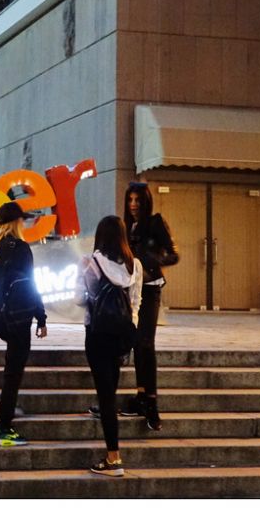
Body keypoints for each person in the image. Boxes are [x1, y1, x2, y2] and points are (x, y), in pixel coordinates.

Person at [75, 215, 143, 477]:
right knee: (110, 389)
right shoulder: (134, 265)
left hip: (97, 333)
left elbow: (79, 298)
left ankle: (113, 458)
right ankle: (112, 450)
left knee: (105, 396)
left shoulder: (90, 263)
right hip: (123, 335)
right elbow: (136, 302)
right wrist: (129, 328)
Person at [0, 201, 47, 447]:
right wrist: (41, 317)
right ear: (16, 223)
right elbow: (31, 285)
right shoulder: (21, 248)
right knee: (14, 371)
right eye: (22, 220)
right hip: (18, 316)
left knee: (12, 363)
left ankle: (5, 404)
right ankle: (4, 428)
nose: (24, 223)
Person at [123, 182, 178, 431]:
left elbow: (173, 254)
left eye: (137, 200)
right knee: (136, 342)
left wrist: (152, 262)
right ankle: (140, 396)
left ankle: (152, 403)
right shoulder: (126, 226)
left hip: (151, 287)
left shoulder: (155, 222)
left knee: (146, 342)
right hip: (131, 290)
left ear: (145, 202)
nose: (133, 204)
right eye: (130, 200)